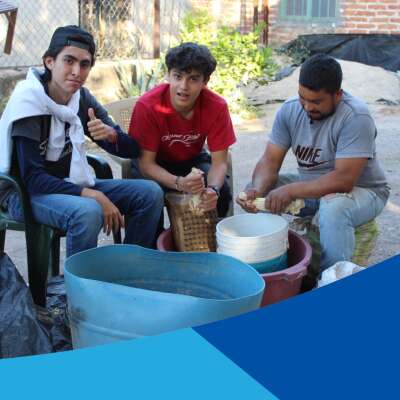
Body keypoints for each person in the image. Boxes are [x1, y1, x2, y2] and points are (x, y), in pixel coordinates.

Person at [0, 25, 164, 257]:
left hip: (67, 183)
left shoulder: (81, 99)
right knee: (88, 211)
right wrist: (93, 194)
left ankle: (129, 266)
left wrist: (112, 135)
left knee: (149, 193)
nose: (77, 71)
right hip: (23, 194)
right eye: (69, 61)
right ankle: (78, 279)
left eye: (84, 64)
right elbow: (33, 179)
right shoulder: (29, 103)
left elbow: (132, 149)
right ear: (49, 62)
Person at [237, 53, 389, 274]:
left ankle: (331, 279)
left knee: (333, 207)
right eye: (303, 98)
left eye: (316, 101)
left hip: (365, 191)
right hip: (313, 188)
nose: (307, 107)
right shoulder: (290, 110)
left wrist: (291, 190)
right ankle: (270, 267)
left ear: (338, 95)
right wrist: (257, 191)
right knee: (261, 189)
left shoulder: (356, 117)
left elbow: (344, 180)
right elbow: (270, 160)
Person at [128, 42, 236, 217]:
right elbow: (146, 164)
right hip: (154, 162)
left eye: (193, 79)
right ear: (168, 75)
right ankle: (155, 236)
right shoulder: (147, 106)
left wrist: (213, 190)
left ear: (205, 81)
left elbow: (219, 162)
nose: (184, 86)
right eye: (178, 76)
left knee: (221, 194)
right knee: (150, 195)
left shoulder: (217, 106)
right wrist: (179, 183)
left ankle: (211, 234)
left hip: (191, 159)